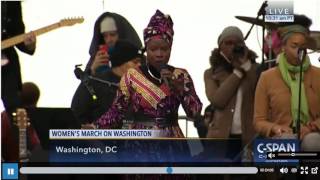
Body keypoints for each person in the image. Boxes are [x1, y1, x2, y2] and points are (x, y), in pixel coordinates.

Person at [254, 25, 320, 151]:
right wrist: (275, 128)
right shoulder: (267, 77)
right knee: (287, 142)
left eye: (303, 47)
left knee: (313, 142)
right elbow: (258, 121)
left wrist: (311, 127)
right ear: (283, 47)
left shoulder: (318, 75)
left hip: (312, 133)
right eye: (294, 46)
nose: (299, 51)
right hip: (281, 136)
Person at [204, 26, 259, 161]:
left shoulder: (255, 69)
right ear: (220, 46)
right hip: (221, 138)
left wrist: (246, 65)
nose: (232, 47)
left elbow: (257, 90)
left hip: (249, 137)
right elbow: (218, 100)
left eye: (237, 43)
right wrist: (238, 72)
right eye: (228, 43)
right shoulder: (211, 73)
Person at [71, 40, 142, 125]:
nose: (139, 65)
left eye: (140, 62)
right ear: (121, 62)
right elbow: (77, 110)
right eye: (135, 62)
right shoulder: (95, 82)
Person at [1, 1, 36, 115]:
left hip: (7, 63)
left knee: (15, 109)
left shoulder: (12, 3)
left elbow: (17, 34)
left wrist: (30, 44)